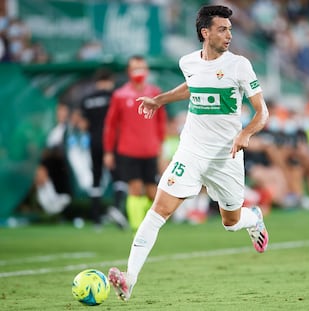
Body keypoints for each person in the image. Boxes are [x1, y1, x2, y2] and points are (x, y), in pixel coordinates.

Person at [108, 5, 270, 301]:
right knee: (158, 211)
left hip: (226, 157)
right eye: (223, 29)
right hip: (191, 151)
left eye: (230, 29)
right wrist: (160, 100)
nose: (229, 35)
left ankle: (253, 218)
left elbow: (263, 112)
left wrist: (245, 133)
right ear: (205, 33)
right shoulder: (188, 62)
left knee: (230, 222)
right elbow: (192, 86)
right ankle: (130, 278)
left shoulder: (240, 66)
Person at [103, 55, 167, 230]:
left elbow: (161, 122)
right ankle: (137, 228)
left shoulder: (155, 92)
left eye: (142, 68)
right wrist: (108, 151)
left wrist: (161, 147)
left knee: (152, 192)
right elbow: (110, 125)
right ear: (128, 72)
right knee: (135, 188)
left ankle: (148, 223)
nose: (139, 72)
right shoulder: (120, 95)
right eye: (135, 69)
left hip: (150, 150)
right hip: (128, 150)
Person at [79, 67, 128, 228]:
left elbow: (83, 124)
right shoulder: (115, 97)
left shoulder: (87, 99)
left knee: (96, 179)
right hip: (112, 142)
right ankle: (116, 209)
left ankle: (96, 220)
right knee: (119, 177)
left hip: (94, 142)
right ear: (110, 81)